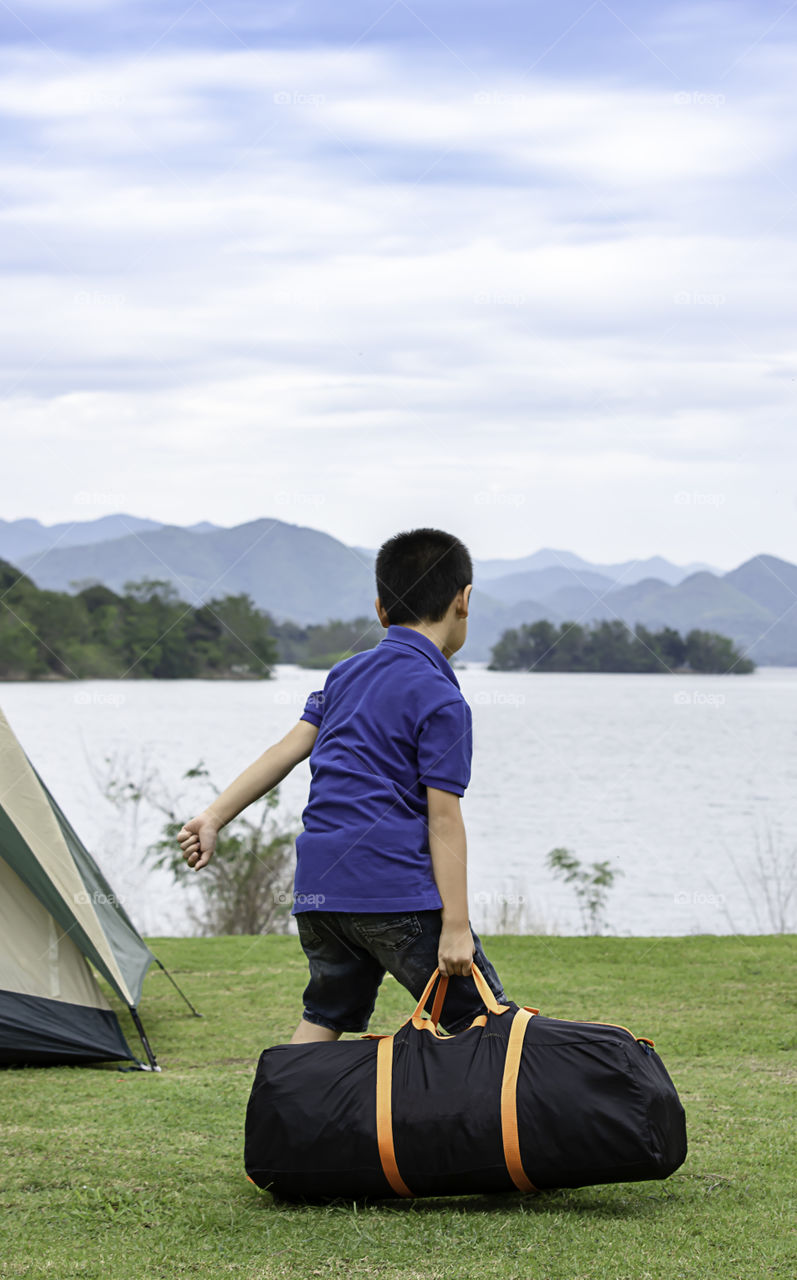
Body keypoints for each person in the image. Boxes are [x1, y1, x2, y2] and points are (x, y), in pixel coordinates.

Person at [177, 527, 507, 1041]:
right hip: (393, 893)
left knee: (325, 1015)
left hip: (320, 894)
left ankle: (283, 1119)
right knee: (487, 1026)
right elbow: (444, 819)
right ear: (464, 601)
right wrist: (457, 927)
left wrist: (213, 816)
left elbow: (284, 751)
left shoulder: (343, 675)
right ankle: (510, 1121)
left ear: (381, 608)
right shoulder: (443, 699)